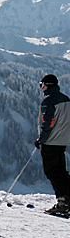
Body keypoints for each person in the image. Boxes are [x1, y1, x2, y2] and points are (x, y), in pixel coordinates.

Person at [34, 74, 70, 216]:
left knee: (52, 172)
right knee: (61, 171)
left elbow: (48, 122)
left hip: (51, 141)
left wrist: (41, 139)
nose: (41, 88)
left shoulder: (48, 101)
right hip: (63, 141)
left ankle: (63, 202)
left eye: (41, 85)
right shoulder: (66, 99)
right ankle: (67, 198)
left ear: (47, 85)